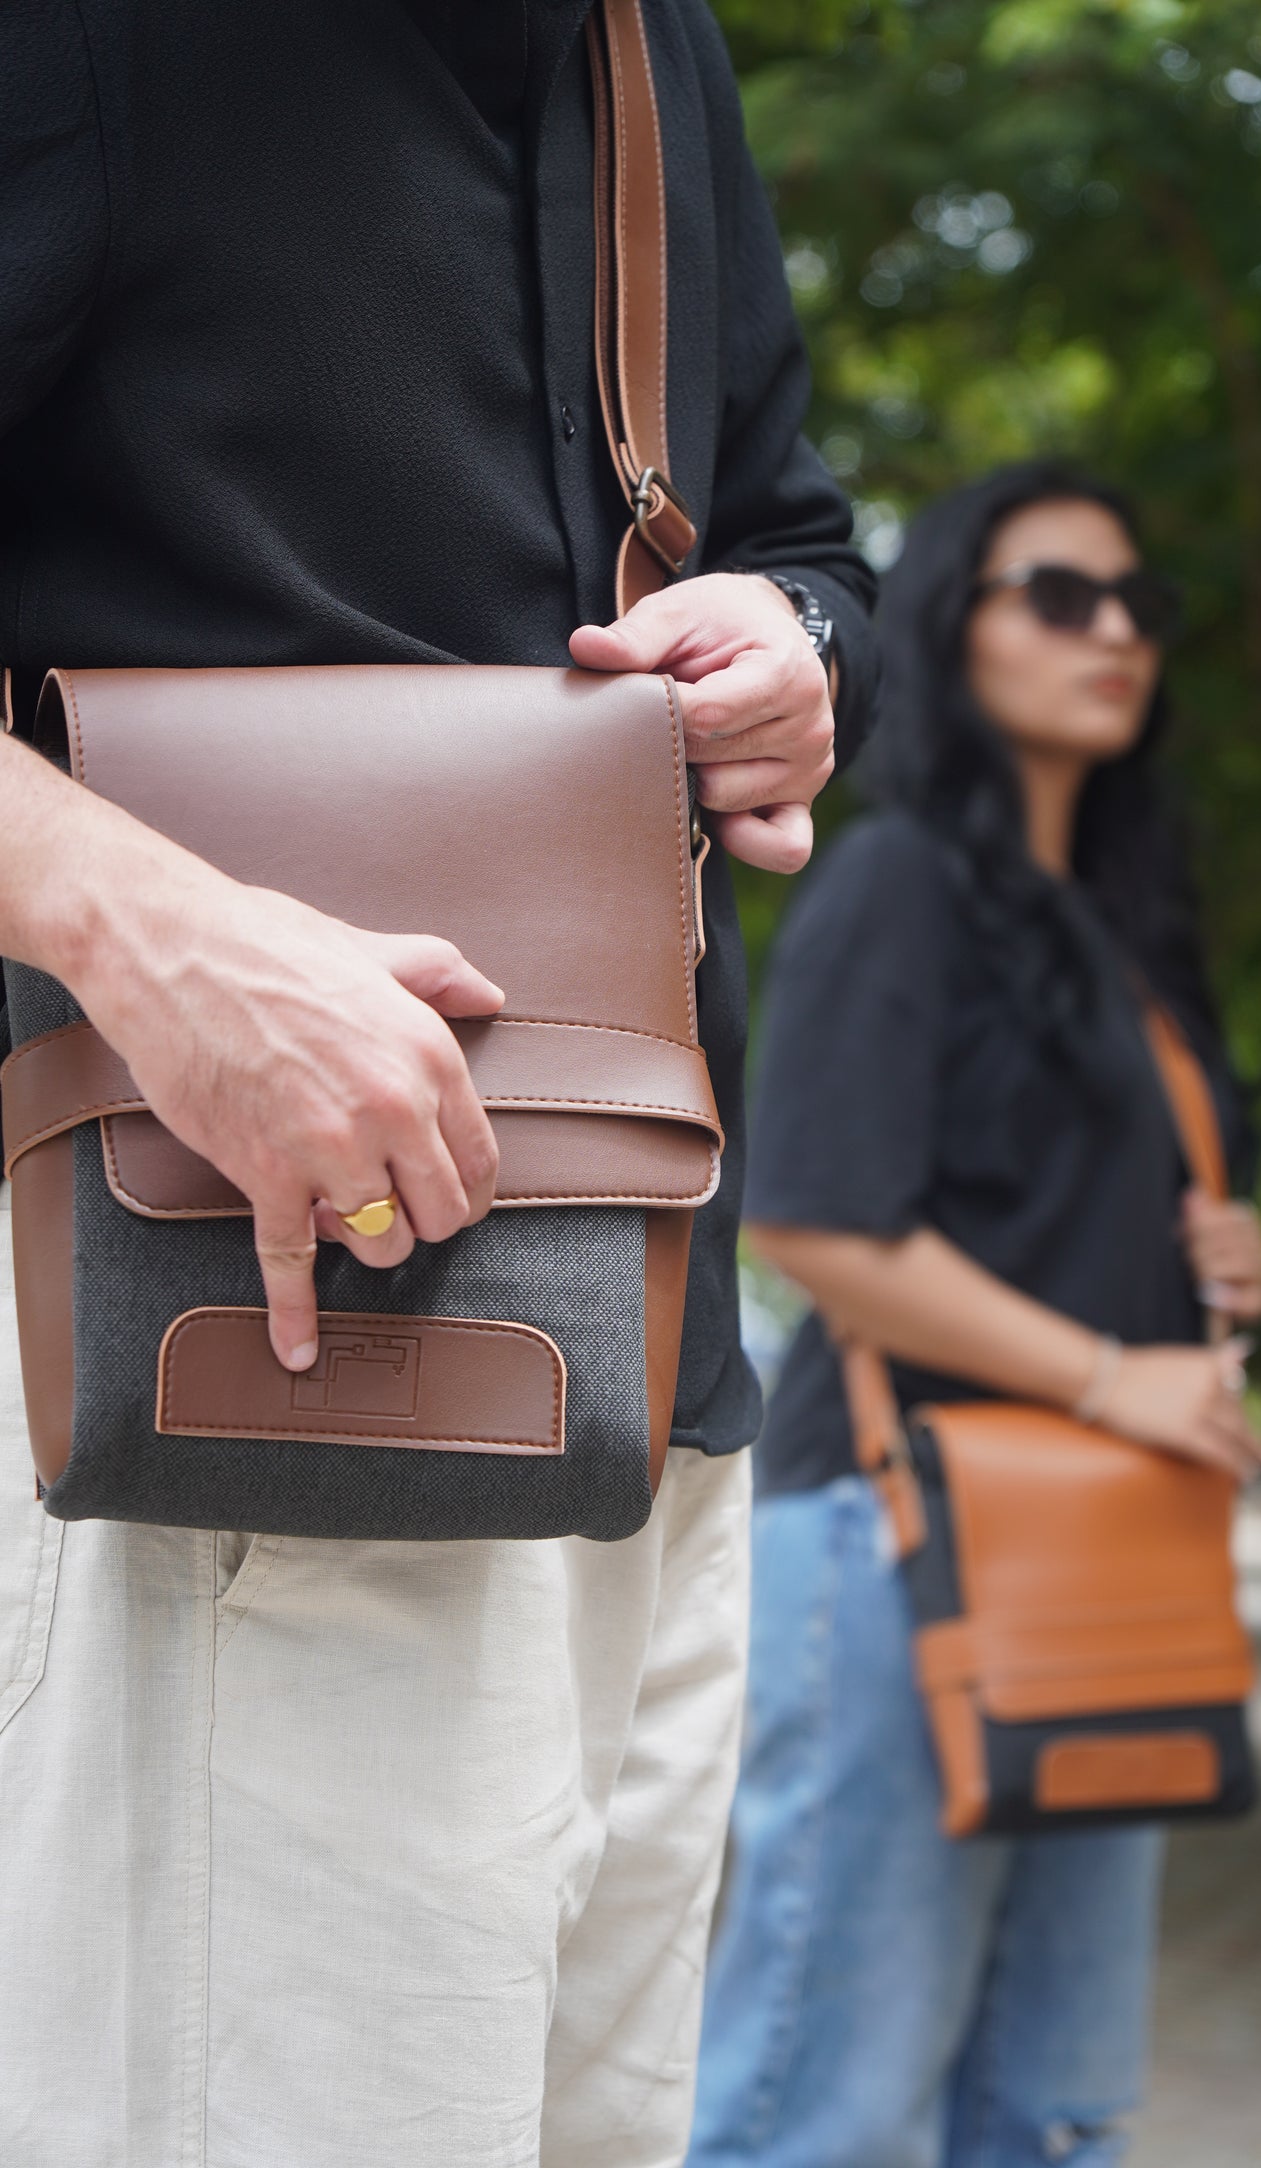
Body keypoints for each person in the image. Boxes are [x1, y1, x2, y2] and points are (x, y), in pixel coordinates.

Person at [0, 4, 878, 2163]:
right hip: (233, 1344)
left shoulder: (654, 43)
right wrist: (138, 921)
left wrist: (790, 646)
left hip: (644, 1378)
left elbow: (794, 529)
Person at [688, 463, 1261, 2168]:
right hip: (897, 1544)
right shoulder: (899, 885)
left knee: (1047, 2108)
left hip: (1102, 1553)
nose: (1114, 634)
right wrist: (1120, 1377)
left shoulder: (1124, 934)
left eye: (1139, 605)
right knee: (828, 2106)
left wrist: (1208, 1256)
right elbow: (814, 1217)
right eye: (1059, 594)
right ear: (952, 619)